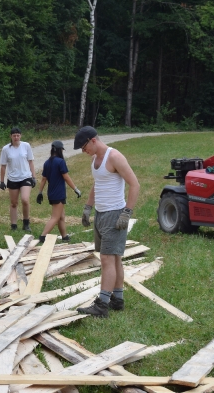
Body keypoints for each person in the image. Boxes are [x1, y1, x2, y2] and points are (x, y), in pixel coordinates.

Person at [74, 126, 140, 318]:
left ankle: (102, 305)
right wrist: (88, 206)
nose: (84, 151)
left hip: (115, 213)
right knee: (115, 258)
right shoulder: (95, 159)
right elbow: (98, 183)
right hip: (101, 213)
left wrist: (127, 212)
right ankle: (117, 299)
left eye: (84, 147)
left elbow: (135, 184)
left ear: (93, 140)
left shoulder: (115, 157)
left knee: (107, 259)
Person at [36, 140, 82, 243]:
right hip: (59, 193)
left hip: (51, 193)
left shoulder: (47, 162)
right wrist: (75, 189)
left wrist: (40, 192)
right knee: (55, 217)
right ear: (60, 150)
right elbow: (66, 177)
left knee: (61, 216)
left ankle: (64, 236)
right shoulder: (60, 162)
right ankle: (42, 236)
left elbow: (43, 179)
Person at [0, 127, 37, 232]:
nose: (16, 137)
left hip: (25, 176)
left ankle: (26, 223)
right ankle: (14, 225)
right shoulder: (6, 149)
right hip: (13, 178)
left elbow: (30, 162)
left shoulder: (26, 146)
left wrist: (34, 177)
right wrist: (1, 181)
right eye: (14, 135)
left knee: (25, 199)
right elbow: (3, 166)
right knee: (14, 203)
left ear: (20, 136)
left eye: (18, 135)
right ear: (11, 136)